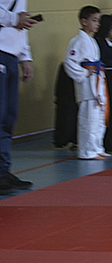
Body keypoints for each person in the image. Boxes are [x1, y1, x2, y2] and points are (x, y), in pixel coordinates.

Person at [0, 0, 37, 193]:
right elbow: (17, 19)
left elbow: (22, 25)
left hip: (11, 55)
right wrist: (15, 19)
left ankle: (3, 170)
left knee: (8, 116)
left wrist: (25, 58)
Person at [64, 5, 109, 161]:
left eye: (98, 21)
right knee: (88, 120)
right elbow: (69, 63)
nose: (97, 24)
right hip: (87, 85)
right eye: (94, 20)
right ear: (84, 21)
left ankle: (97, 148)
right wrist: (83, 73)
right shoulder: (77, 41)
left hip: (97, 82)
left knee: (98, 120)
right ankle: (87, 152)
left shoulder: (91, 40)